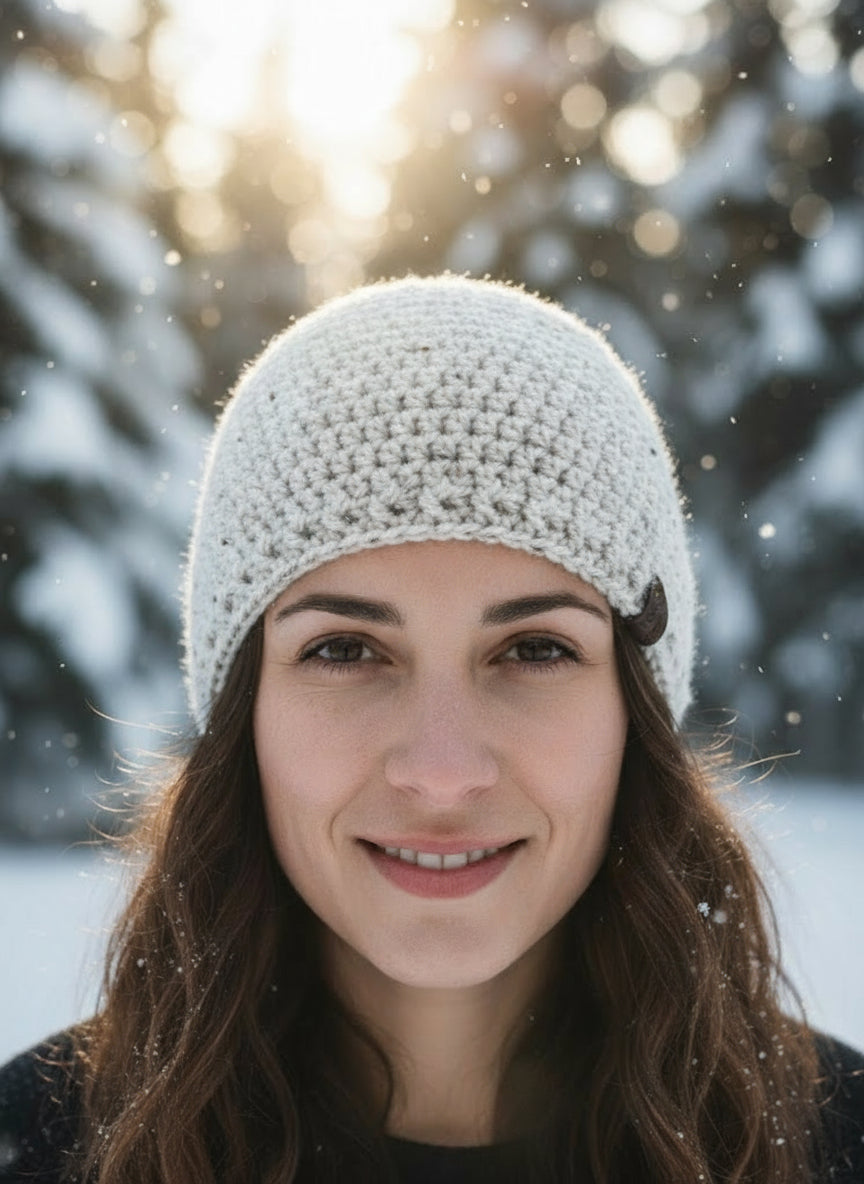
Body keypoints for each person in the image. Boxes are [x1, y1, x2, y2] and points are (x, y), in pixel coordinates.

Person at [0, 275, 862, 1183]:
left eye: (533, 650)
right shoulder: (46, 1151)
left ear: (634, 712)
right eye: (343, 649)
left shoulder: (828, 1147)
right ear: (243, 710)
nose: (442, 772)